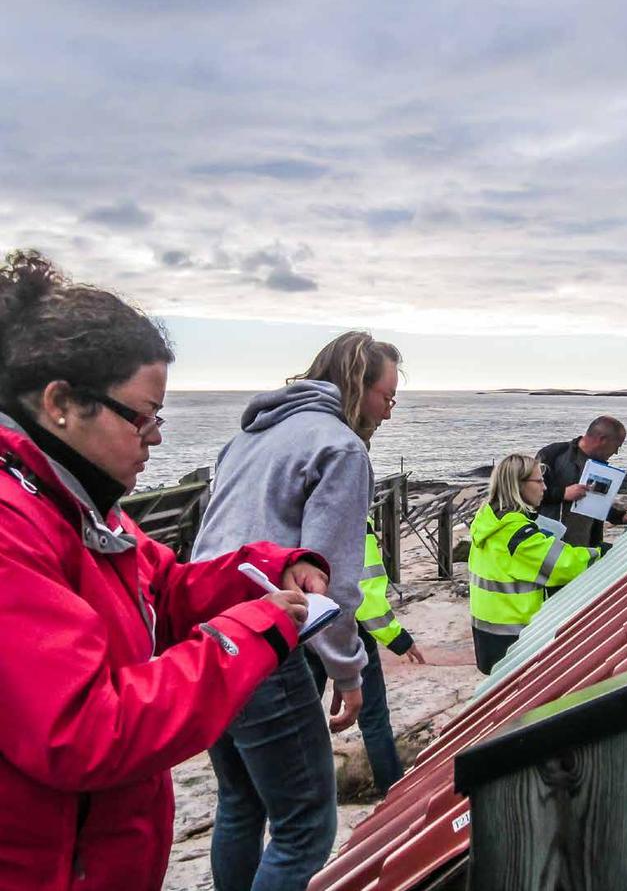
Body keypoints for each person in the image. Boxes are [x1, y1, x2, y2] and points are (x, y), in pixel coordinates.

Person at [0, 251, 328, 891]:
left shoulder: (79, 504)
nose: (155, 438)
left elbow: (167, 591)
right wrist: (249, 635)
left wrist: (269, 568)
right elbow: (82, 732)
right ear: (61, 402)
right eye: (141, 416)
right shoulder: (14, 525)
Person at [191, 331, 406, 891]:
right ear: (357, 385)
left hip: (208, 632)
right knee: (305, 825)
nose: (389, 410)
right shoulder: (339, 446)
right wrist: (349, 671)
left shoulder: (248, 438)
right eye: (387, 395)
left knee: (240, 804)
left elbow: (213, 537)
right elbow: (328, 578)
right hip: (269, 641)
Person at [469, 453, 602, 674]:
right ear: (518, 485)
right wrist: (601, 552)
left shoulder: (489, 518)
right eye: (539, 481)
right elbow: (566, 565)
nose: (545, 488)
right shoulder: (516, 534)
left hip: (487, 628)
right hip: (514, 636)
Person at [347, 516, 426, 794]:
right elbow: (367, 596)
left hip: (301, 623)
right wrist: (400, 640)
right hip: (348, 627)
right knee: (373, 717)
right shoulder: (353, 515)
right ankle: (393, 789)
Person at [537, 415, 627, 548]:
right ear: (602, 440)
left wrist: (619, 516)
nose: (616, 452)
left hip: (585, 548)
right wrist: (563, 493)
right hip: (549, 545)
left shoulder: (600, 466)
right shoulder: (554, 454)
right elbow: (526, 493)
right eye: (617, 446)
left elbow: (593, 502)